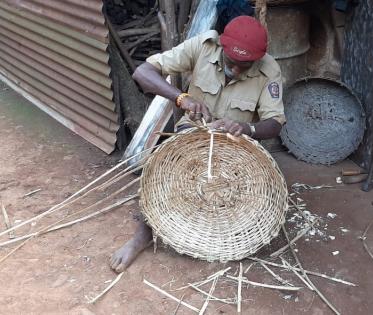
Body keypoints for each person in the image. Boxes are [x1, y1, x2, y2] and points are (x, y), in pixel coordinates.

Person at [109, 16, 286, 272]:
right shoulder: (203, 46)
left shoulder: (269, 69)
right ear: (222, 47)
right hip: (191, 134)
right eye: (232, 63)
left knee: (237, 196)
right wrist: (181, 98)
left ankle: (221, 237)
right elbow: (142, 73)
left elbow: (276, 122)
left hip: (237, 145)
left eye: (245, 66)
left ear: (257, 60)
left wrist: (247, 128)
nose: (236, 71)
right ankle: (143, 234)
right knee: (163, 170)